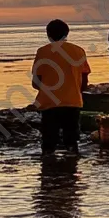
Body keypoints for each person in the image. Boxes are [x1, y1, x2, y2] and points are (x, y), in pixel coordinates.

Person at [32, 19, 91, 155]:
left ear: (48, 35)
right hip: (73, 101)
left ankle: (48, 167)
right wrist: (77, 92)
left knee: (48, 141)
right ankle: (71, 168)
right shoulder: (78, 51)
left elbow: (36, 82)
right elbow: (84, 81)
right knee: (71, 139)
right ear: (67, 33)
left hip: (49, 103)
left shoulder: (42, 52)